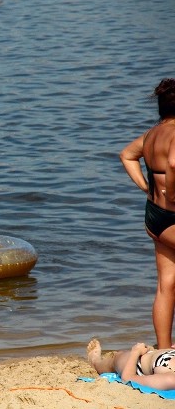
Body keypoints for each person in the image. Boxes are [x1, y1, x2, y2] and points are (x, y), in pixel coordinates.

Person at [120, 78, 175, 349]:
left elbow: (127, 155)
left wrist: (145, 186)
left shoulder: (152, 134)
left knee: (167, 284)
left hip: (155, 217)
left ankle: (164, 350)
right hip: (172, 215)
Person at [87, 338, 175, 390]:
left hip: (137, 364)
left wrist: (136, 352)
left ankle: (96, 363)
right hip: (156, 355)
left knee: (117, 357)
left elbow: (128, 379)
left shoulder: (170, 379)